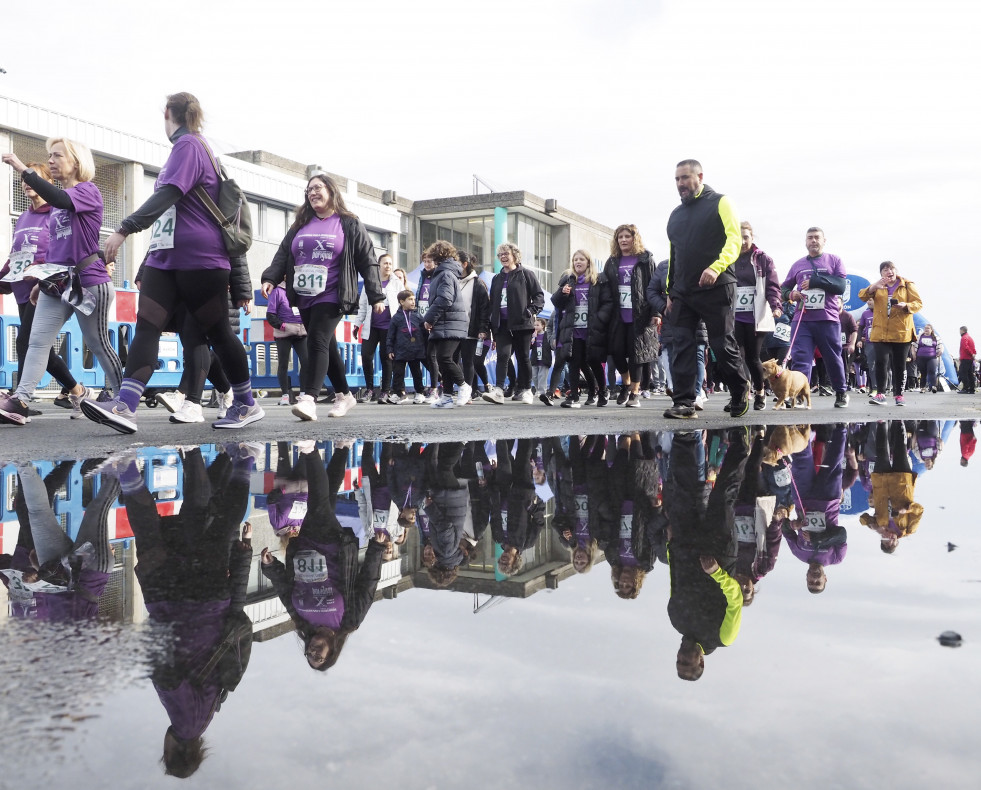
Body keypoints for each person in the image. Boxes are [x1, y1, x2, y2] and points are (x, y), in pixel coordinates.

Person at [75, 94, 257, 433]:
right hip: (164, 257)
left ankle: (246, 402)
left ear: (167, 114)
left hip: (200, 259)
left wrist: (124, 229)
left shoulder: (190, 145)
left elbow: (167, 196)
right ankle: (126, 406)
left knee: (216, 331)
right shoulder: (184, 150)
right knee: (147, 325)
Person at [0, 140, 123, 426]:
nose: (51, 160)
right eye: (49, 156)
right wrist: (40, 280)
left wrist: (23, 169)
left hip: (89, 282)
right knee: (36, 341)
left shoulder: (86, 191)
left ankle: (122, 398)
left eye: (57, 155)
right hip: (57, 284)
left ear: (76, 162)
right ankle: (21, 400)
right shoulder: (55, 205)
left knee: (98, 342)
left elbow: (61, 199)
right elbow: (55, 249)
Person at [260, 172, 385, 421]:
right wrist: (270, 278)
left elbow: (367, 261)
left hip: (333, 293)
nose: (313, 193)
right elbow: (284, 253)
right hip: (304, 295)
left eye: (318, 187)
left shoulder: (348, 223)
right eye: (309, 190)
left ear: (331, 191)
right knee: (328, 346)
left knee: (316, 339)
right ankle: (344, 395)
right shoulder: (300, 224)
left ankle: (308, 399)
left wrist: (376, 296)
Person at [260, 443, 386, 671]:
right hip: (332, 547)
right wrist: (376, 549)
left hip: (303, 546)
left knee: (325, 500)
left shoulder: (301, 622)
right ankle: (308, 449)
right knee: (318, 503)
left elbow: (284, 589)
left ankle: (343, 447)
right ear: (332, 653)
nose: (313, 652)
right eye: (319, 657)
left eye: (309, 655)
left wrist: (270, 567)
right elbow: (368, 584)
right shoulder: (349, 622)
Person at [663, 160, 749, 419]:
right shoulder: (676, 215)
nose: (680, 184)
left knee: (722, 344)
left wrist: (716, 267)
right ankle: (684, 402)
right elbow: (674, 253)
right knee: (682, 345)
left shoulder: (721, 202)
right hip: (683, 291)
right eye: (677, 179)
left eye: (685, 178)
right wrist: (670, 290)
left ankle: (739, 390)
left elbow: (734, 240)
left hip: (717, 285)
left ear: (700, 176)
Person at [0, 161, 82, 416]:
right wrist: (3, 277)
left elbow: (61, 249)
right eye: (23, 180)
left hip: (46, 286)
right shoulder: (24, 216)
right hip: (23, 287)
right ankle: (76, 391)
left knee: (28, 342)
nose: (26, 183)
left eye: (32, 179)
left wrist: (43, 275)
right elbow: (17, 253)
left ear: (45, 183)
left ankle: (19, 401)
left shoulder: (56, 212)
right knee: (38, 345)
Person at [780, 227, 850, 408]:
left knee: (832, 357)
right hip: (802, 319)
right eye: (810, 238)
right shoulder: (797, 265)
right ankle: (798, 395)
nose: (813, 241)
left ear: (824, 240)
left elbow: (840, 286)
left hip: (827, 318)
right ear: (805, 242)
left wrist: (816, 282)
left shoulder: (834, 260)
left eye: (817, 237)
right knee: (801, 357)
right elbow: (783, 288)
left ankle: (841, 392)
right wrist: (791, 295)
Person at [602, 224, 659, 408]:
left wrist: (656, 312)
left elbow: (654, 285)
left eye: (627, 236)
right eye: (620, 237)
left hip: (640, 314)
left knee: (637, 354)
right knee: (616, 351)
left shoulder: (645, 258)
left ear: (635, 238)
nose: (624, 240)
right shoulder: (612, 261)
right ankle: (626, 384)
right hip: (618, 315)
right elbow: (605, 287)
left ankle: (635, 392)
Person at [482, 243, 544, 405]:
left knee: (523, 357)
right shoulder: (496, 278)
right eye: (500, 254)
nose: (503, 257)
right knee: (503, 355)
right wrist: (490, 326)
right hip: (502, 324)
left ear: (514, 255)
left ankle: (525, 389)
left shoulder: (526, 274)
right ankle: (499, 390)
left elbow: (539, 297)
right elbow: (492, 303)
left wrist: (530, 311)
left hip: (522, 324)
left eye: (506, 253)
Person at [551, 250, 613, 408]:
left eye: (581, 259)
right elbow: (556, 302)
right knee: (574, 361)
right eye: (575, 259)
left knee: (593, 361)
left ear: (588, 262)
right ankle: (573, 396)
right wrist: (562, 293)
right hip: (574, 329)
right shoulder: (569, 280)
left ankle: (602, 391)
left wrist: (599, 318)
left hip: (592, 329)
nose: (578, 262)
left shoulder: (598, 280)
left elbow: (608, 302)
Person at [731, 222, 782, 410]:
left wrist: (776, 305)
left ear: (752, 238)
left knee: (752, 357)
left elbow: (772, 286)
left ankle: (760, 392)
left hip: (756, 316)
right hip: (735, 315)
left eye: (745, 237)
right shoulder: (728, 258)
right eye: (738, 237)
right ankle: (739, 394)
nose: (742, 241)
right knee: (735, 356)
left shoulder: (763, 259)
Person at [858, 261, 922, 406]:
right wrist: (874, 287)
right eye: (885, 270)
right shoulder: (878, 286)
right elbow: (861, 296)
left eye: (891, 268)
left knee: (899, 364)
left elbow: (918, 303)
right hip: (881, 332)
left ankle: (899, 395)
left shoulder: (907, 285)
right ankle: (880, 394)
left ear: (896, 271)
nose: (889, 272)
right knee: (881, 362)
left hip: (901, 332)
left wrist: (906, 306)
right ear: (881, 274)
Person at [421, 241, 470, 408]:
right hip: (445, 322)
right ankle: (447, 396)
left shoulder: (445, 273)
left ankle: (464, 386)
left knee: (444, 358)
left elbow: (445, 299)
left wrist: (429, 318)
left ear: (437, 256)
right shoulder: (442, 273)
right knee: (440, 359)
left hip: (450, 322)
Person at [354, 251, 402, 404]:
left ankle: (385, 391)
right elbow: (362, 305)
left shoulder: (396, 282)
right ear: (379, 265)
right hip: (371, 325)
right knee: (366, 355)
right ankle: (369, 389)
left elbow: (402, 304)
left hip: (389, 326)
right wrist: (357, 324)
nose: (388, 266)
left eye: (390, 263)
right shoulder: (371, 281)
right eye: (385, 263)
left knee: (386, 358)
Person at [265, 280, 308, 406]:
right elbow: (270, 315)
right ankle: (285, 395)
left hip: (301, 331)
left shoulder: (302, 290)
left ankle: (303, 394)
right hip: (284, 333)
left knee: (306, 362)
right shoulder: (277, 291)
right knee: (283, 363)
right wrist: (283, 326)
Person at [457, 251, 491, 399]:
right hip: (453, 328)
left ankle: (468, 392)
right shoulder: (453, 280)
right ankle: (458, 388)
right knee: (450, 359)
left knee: (468, 361)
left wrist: (483, 329)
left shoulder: (478, 283)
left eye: (456, 262)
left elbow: (485, 309)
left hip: (470, 329)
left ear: (465, 264)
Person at [387, 289, 429, 403]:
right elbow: (390, 335)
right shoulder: (396, 317)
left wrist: (426, 347)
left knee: (416, 372)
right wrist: (390, 349)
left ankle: (420, 392)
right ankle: (398, 393)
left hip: (416, 350)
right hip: (400, 350)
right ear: (401, 302)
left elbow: (425, 333)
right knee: (398, 372)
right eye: (410, 299)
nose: (413, 302)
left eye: (414, 299)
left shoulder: (419, 316)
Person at [414, 253, 440, 403]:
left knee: (432, 355)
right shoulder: (422, 276)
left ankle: (435, 389)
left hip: (434, 321)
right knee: (424, 355)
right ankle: (439, 380)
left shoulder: (439, 276)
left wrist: (433, 319)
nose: (427, 264)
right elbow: (419, 297)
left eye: (429, 261)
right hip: (421, 320)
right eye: (424, 261)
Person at [915, 324, 943, 393]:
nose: (926, 330)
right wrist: (913, 353)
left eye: (928, 328)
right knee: (923, 373)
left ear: (931, 330)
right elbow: (914, 345)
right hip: (921, 357)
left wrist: (940, 351)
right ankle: (922, 387)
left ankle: (933, 386)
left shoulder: (935, 337)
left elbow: (940, 345)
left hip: (932, 357)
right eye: (925, 328)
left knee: (932, 371)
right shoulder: (919, 336)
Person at [530, 316, 553, 398]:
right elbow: (530, 346)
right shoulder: (533, 335)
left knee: (542, 376)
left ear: (543, 326)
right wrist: (533, 338)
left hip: (544, 359)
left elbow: (551, 346)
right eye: (535, 325)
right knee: (535, 376)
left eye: (537, 325)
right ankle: (537, 389)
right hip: (535, 358)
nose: (535, 327)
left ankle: (542, 391)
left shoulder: (547, 335)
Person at [958, 326, 975, 394]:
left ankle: (966, 388)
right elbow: (973, 347)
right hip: (970, 359)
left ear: (962, 330)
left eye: (960, 330)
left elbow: (965, 347)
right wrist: (973, 354)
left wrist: (971, 354)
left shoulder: (964, 338)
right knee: (970, 374)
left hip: (965, 358)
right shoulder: (970, 337)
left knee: (962, 373)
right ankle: (972, 388)